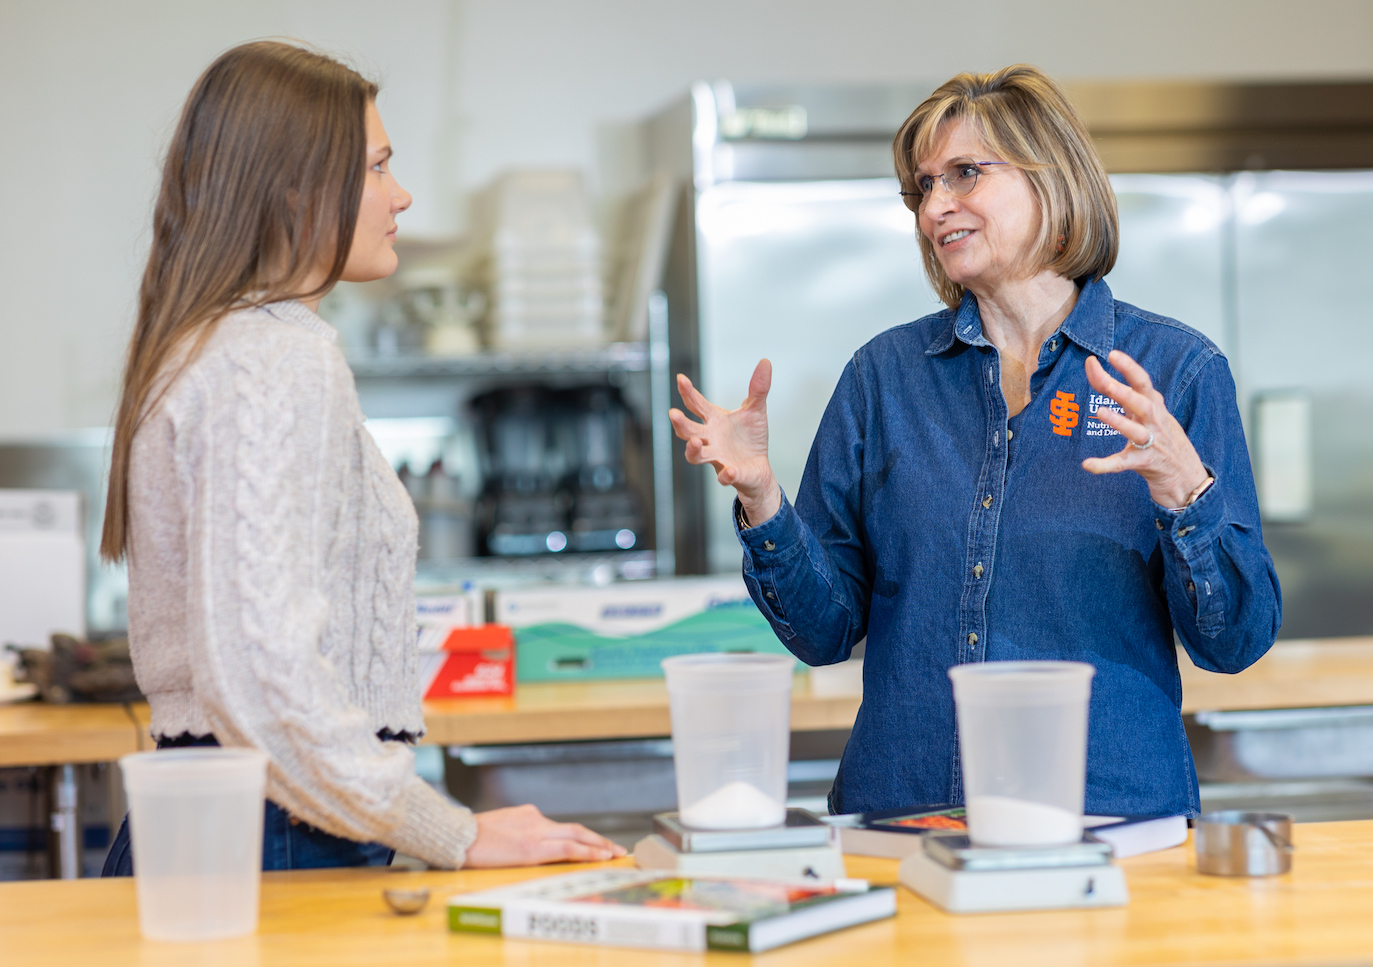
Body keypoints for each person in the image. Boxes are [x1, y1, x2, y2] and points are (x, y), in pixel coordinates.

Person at [669, 65, 1282, 819]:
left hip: (1111, 827)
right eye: (922, 187)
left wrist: (1188, 491)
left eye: (964, 174)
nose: (936, 207)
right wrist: (762, 498)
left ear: (1051, 181)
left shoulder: (1176, 372)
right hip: (906, 821)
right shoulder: (883, 378)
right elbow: (826, 632)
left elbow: (1237, 642)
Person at [98, 41, 625, 873]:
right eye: (378, 167)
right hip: (276, 830)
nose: (401, 195)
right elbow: (266, 674)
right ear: (298, 190)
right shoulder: (272, 358)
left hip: (231, 823)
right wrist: (454, 829)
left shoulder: (216, 343)